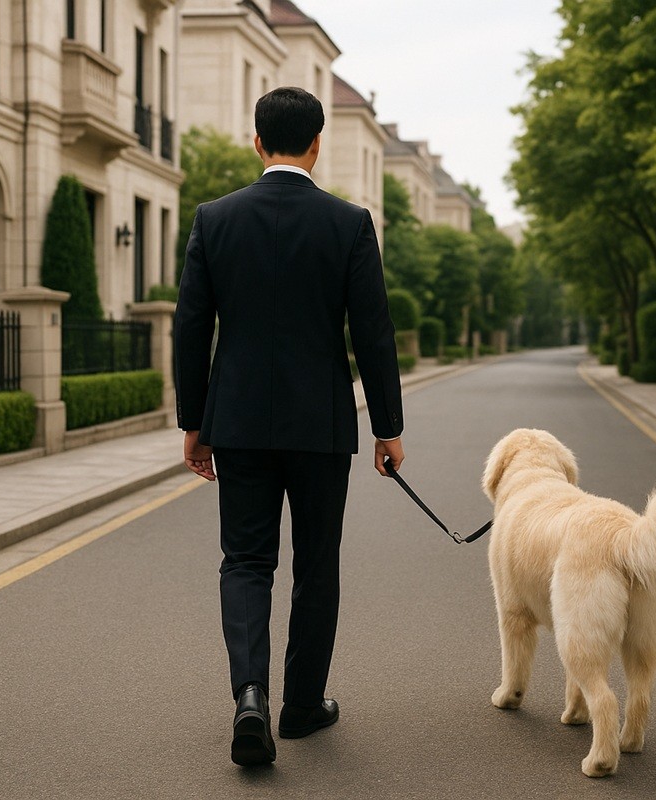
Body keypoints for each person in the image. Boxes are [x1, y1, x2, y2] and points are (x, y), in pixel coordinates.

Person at [173, 86, 405, 768]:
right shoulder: (349, 223)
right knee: (316, 563)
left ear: (256, 142)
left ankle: (250, 696)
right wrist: (387, 427)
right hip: (320, 424)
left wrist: (195, 421)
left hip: (239, 421)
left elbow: (191, 327)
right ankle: (301, 706)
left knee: (246, 561)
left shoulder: (215, 219)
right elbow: (374, 333)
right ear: (316, 145)